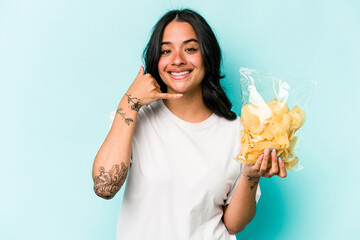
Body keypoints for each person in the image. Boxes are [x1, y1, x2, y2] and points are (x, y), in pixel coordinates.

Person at [92, 9, 287, 240]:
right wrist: (129, 102)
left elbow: (233, 225)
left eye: (190, 49)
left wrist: (251, 176)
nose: (177, 60)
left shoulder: (238, 131)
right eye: (166, 51)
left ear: (207, 55)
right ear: (157, 60)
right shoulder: (135, 118)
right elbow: (104, 188)